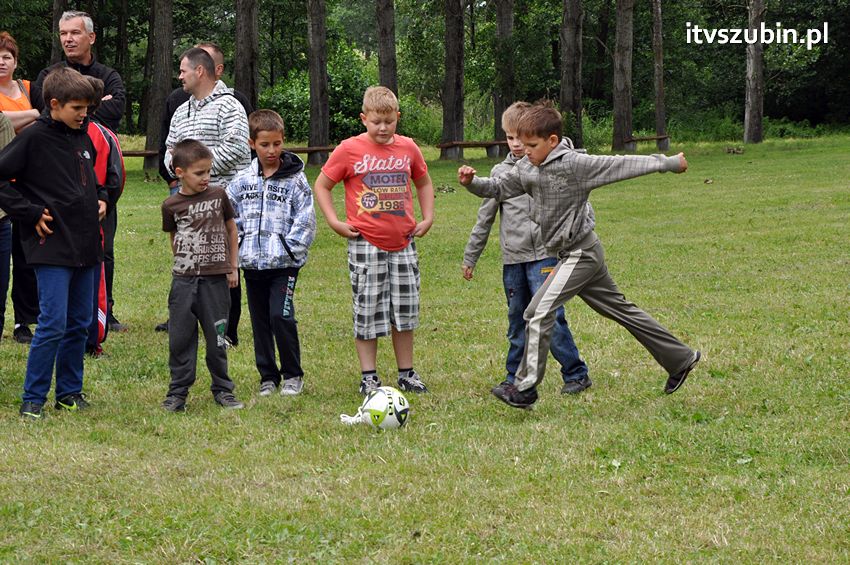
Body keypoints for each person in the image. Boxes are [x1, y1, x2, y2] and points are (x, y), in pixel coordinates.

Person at [458, 102, 701, 409]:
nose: (525, 151)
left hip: (581, 253)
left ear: (552, 141)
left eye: (532, 145)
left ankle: (525, 388)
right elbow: (497, 188)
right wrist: (472, 182)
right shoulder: (527, 167)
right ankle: (680, 358)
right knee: (621, 310)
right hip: (572, 255)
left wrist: (668, 163)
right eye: (522, 144)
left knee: (537, 312)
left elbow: (621, 165)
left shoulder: (575, 165)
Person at [461, 101, 591, 396]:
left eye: (522, 138)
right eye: (510, 137)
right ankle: (514, 378)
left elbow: (576, 201)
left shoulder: (551, 167)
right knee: (517, 320)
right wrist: (471, 257)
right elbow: (484, 219)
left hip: (545, 256)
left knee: (550, 318)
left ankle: (576, 373)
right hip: (513, 261)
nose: (516, 144)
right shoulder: (500, 173)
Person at [313, 86, 435, 396]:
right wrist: (334, 222)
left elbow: (423, 182)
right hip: (366, 243)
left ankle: (407, 373)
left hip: (404, 242)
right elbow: (322, 185)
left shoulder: (409, 148)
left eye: (389, 122)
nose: (382, 128)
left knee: (404, 312)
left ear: (398, 118)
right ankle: (369, 376)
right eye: (376, 122)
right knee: (367, 311)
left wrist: (428, 217)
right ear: (363, 118)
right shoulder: (348, 149)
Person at [0, 67, 106, 420]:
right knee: (53, 323)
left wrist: (102, 197)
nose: (84, 114)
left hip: (86, 245)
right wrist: (29, 212)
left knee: (79, 323)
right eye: (77, 108)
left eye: (87, 108)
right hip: (51, 246)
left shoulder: (84, 137)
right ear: (54, 104)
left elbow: (89, 181)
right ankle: (33, 398)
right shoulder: (33, 138)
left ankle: (69, 393)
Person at [35, 11, 128, 332]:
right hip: (59, 177)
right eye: (63, 33)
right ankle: (56, 313)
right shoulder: (49, 74)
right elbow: (44, 112)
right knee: (59, 248)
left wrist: (80, 107)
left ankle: (105, 311)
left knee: (104, 246)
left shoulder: (109, 75)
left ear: (91, 37)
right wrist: (97, 100)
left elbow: (115, 110)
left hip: (100, 176)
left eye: (74, 33)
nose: (68, 39)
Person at [155, 41, 253, 337]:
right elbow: (169, 151)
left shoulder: (230, 106)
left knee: (223, 264)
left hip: (223, 200)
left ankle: (227, 331)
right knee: (192, 261)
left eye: (183, 70)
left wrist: (197, 169)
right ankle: (190, 321)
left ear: (200, 71)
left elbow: (237, 149)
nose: (179, 76)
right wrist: (184, 175)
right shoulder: (181, 111)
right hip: (188, 204)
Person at [227, 110, 316, 397]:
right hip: (252, 265)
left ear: (283, 141)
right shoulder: (241, 180)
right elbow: (230, 217)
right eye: (264, 145)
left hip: (283, 265)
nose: (271, 150)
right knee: (260, 321)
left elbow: (305, 219)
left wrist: (289, 249)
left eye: (277, 144)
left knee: (281, 315)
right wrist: (240, 247)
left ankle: (292, 374)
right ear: (252, 144)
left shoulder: (296, 180)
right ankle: (268, 376)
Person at [160, 139, 243, 412]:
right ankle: (177, 393)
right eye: (199, 173)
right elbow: (174, 236)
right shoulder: (170, 205)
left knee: (217, 338)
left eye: (208, 171)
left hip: (216, 279)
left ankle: (223, 390)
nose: (206, 177)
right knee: (180, 338)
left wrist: (232, 267)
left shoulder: (218, 196)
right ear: (180, 172)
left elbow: (232, 230)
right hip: (183, 281)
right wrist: (183, 262)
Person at [0, 31, 44, 344]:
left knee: (26, 256)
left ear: (16, 61)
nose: (2, 62)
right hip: (3, 183)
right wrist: (31, 114)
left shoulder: (29, 88)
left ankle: (23, 321)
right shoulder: (32, 102)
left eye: (7, 56)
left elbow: (49, 117)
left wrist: (20, 118)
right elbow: (6, 122)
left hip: (29, 181)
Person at [83, 76, 125, 357]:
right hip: (66, 219)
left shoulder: (104, 134)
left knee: (99, 263)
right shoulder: (51, 134)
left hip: (100, 213)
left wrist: (106, 202)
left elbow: (116, 175)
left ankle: (97, 327)